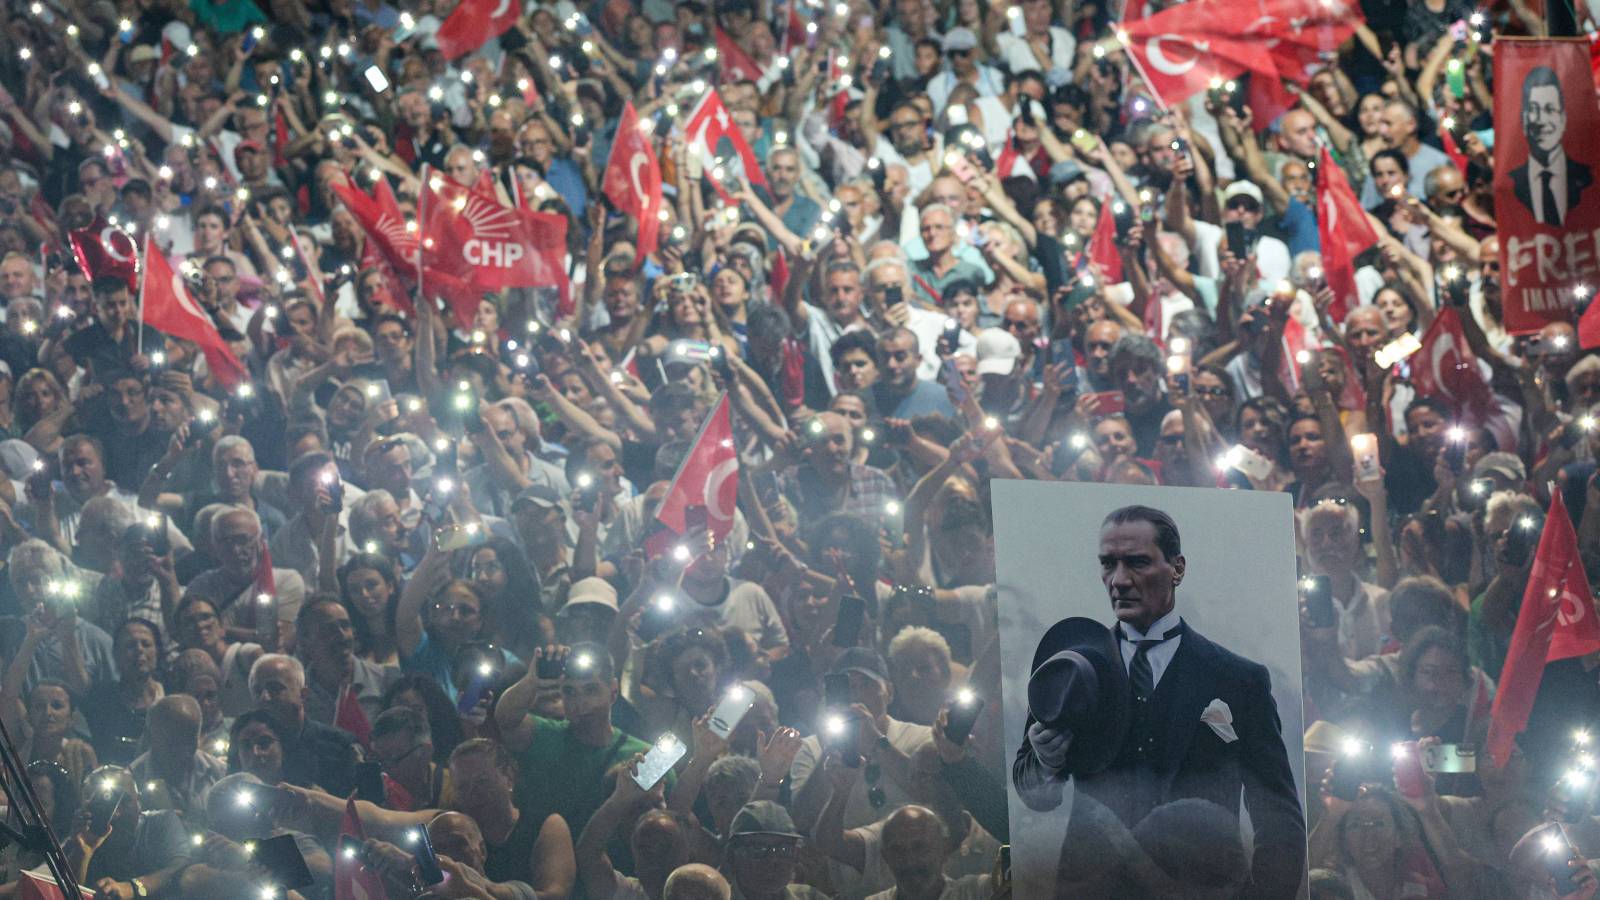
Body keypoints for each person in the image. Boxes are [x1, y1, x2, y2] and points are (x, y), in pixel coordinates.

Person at [1012, 505, 1305, 898]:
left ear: (1177, 568)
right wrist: (1047, 762)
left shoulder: (1238, 679)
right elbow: (1034, 794)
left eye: (1136, 563)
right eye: (1108, 564)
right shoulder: (1071, 666)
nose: (1119, 580)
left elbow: (1277, 812)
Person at [1511, 66, 1591, 228]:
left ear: (1563, 118)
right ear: (1524, 119)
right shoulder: (1508, 183)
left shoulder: (1590, 178)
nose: (1541, 121)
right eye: (1533, 110)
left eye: (1550, 109)